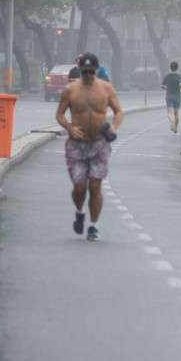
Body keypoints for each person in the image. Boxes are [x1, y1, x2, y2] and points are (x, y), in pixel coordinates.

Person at [55, 52, 124, 242]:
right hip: (76, 145)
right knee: (79, 188)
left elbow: (118, 112)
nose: (87, 76)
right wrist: (69, 127)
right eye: (84, 72)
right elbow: (59, 114)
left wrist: (113, 126)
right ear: (80, 70)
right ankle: (80, 211)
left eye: (90, 73)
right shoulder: (71, 90)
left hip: (99, 144)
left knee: (95, 185)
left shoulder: (106, 89)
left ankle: (93, 226)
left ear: (96, 70)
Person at [161, 61, 181, 133]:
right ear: (177, 68)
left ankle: (171, 120)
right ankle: (175, 128)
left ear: (170, 68)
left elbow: (162, 86)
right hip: (177, 97)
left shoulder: (167, 77)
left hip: (169, 97)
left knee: (170, 113)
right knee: (176, 114)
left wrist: (166, 88)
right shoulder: (179, 76)